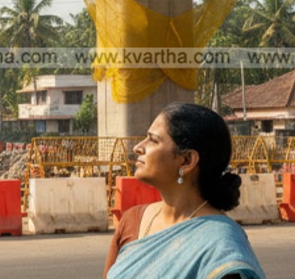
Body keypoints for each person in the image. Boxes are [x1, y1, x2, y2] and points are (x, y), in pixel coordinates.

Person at [103, 103, 265, 279]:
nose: (138, 148)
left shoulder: (220, 244)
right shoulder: (132, 221)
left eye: (153, 140)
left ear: (187, 160)